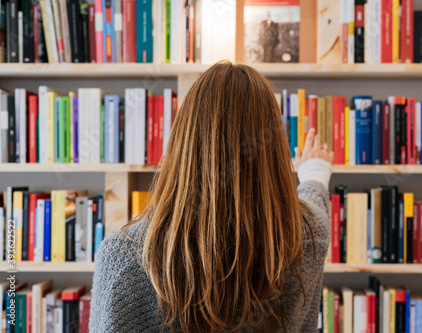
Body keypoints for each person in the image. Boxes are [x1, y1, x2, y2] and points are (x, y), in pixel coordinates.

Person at [89, 62, 333, 333]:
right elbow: (315, 201)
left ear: (182, 143)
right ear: (273, 149)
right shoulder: (308, 238)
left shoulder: (123, 259)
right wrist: (315, 170)